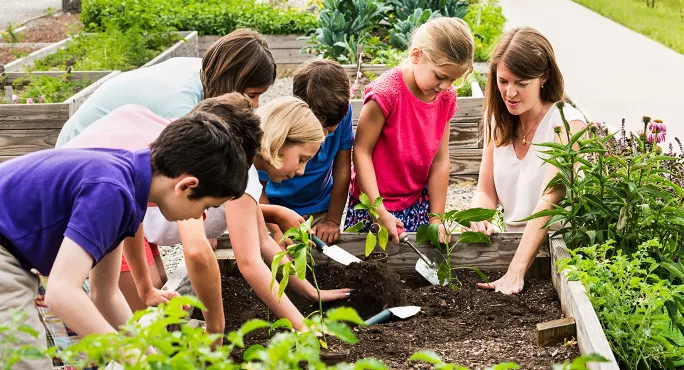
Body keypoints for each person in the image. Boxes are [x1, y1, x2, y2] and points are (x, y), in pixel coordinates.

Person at [66, 94, 349, 338]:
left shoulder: (242, 169)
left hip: (123, 212)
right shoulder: (234, 169)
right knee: (124, 321)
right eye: (301, 158)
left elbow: (261, 240)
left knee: (139, 304)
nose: (301, 171)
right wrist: (217, 325)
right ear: (279, 140)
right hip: (93, 205)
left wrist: (309, 293)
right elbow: (227, 257)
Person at [0, 112, 251, 369]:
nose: (202, 216)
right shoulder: (112, 190)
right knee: (26, 362)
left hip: (12, 255)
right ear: (185, 187)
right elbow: (61, 292)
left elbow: (105, 294)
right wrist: (135, 359)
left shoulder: (127, 184)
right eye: (207, 206)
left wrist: (150, 358)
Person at [468, 27, 585, 295]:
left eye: (521, 84)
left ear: (543, 78)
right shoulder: (497, 121)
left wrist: (516, 271)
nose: (509, 93)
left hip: (558, 253)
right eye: (503, 81)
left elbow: (550, 200)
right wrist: (476, 215)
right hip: (511, 248)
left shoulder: (566, 122)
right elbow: (485, 191)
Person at [346, 17, 474, 244]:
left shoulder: (445, 97)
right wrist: (378, 211)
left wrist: (436, 218)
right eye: (440, 76)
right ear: (416, 55)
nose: (445, 86)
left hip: (416, 201)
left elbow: (440, 160)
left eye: (453, 80)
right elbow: (361, 152)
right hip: (374, 204)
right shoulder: (386, 94)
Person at [56, 28, 276, 147]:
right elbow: (186, 169)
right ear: (230, 81)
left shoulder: (201, 71)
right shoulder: (177, 107)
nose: (255, 105)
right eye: (251, 95)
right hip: (78, 154)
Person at [259, 59, 354, 245]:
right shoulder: (279, 128)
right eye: (320, 128)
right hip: (274, 210)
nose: (326, 135)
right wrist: (277, 231)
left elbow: (342, 169)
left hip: (319, 207)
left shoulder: (341, 112)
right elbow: (257, 188)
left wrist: (333, 220)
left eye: (331, 128)